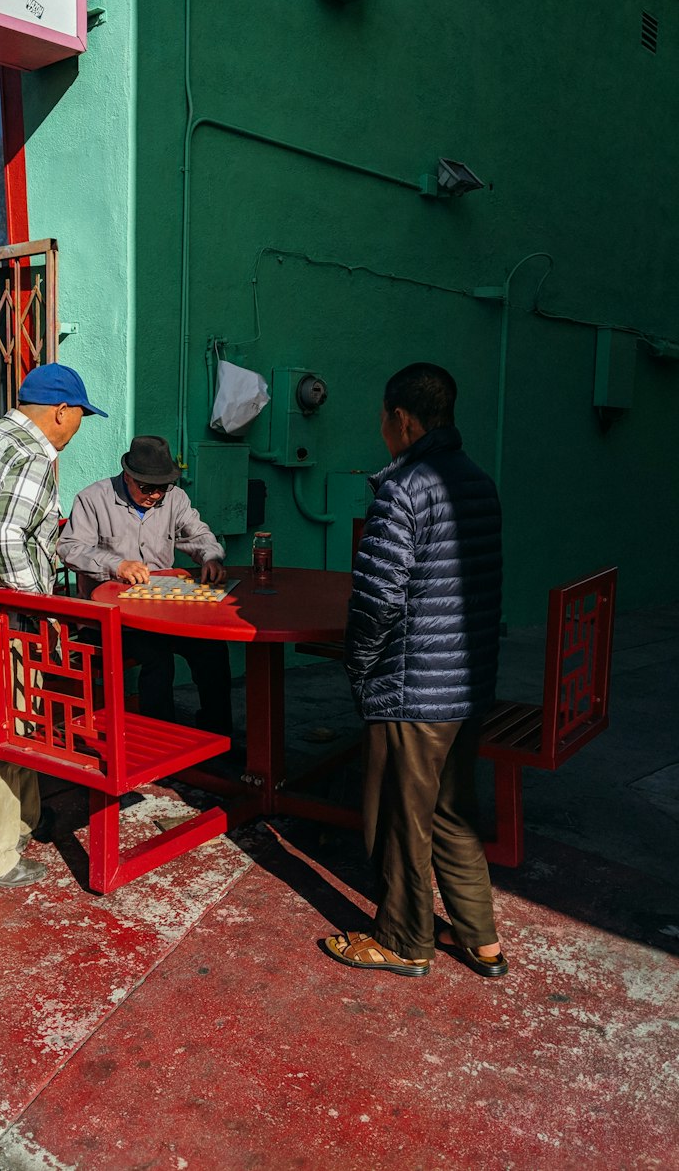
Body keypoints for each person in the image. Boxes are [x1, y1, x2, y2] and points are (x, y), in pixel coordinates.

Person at [323, 363, 507, 978]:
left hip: (411, 686)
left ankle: (403, 939)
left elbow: (378, 599)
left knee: (401, 820)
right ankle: (481, 938)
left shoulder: (403, 490)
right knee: (453, 811)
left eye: (383, 418)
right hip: (466, 682)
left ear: (401, 419)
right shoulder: (478, 483)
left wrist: (360, 666)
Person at [0, 362, 107, 891]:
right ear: (61, 411)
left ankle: (24, 820)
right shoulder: (34, 454)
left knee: (18, 720)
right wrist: (42, 609)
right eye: (80, 416)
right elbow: (5, 541)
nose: (77, 428)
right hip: (8, 617)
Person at [58, 435, 233, 731]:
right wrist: (117, 565)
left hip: (162, 611)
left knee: (212, 649)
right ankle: (162, 739)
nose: (155, 496)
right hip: (110, 619)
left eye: (161, 488)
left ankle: (216, 736)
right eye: (147, 488)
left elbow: (199, 534)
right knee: (158, 660)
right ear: (128, 477)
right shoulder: (93, 499)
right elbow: (69, 548)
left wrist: (211, 557)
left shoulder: (175, 499)